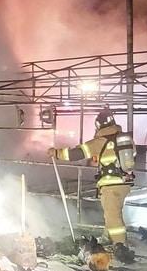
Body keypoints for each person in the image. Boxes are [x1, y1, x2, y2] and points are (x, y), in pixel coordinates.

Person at [49, 106, 137, 261]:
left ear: (98, 126)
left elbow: (76, 153)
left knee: (113, 216)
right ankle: (107, 236)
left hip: (110, 185)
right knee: (113, 212)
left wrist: (56, 153)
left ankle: (120, 246)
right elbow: (132, 156)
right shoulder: (125, 140)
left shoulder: (100, 142)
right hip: (124, 183)